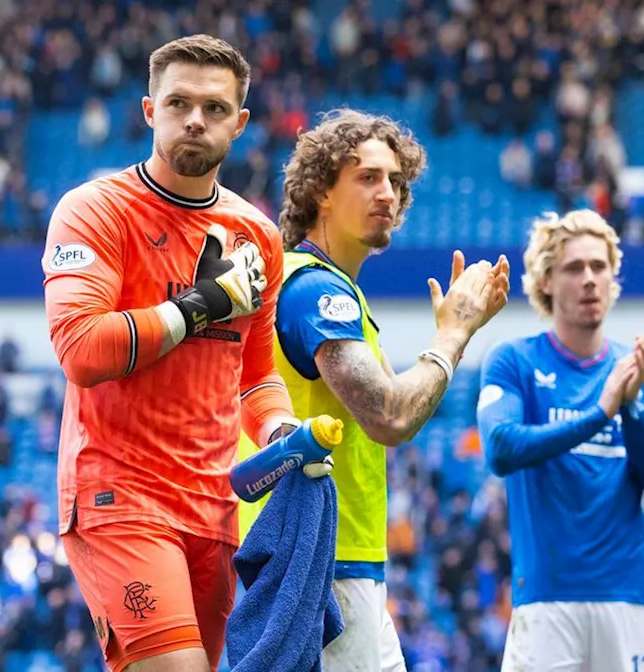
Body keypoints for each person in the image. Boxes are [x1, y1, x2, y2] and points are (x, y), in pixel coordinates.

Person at [41, 35, 302, 672]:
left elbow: (256, 376)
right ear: (148, 110)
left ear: (239, 125)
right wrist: (198, 306)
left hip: (213, 507)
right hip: (119, 496)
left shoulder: (259, 237)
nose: (195, 119)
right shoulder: (94, 211)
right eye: (179, 102)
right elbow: (81, 348)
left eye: (215, 109)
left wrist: (283, 432)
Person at [236, 109, 510, 671]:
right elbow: (388, 414)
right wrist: (454, 333)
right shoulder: (316, 291)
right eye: (367, 177)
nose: (387, 193)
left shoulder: (328, 290)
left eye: (395, 181)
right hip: (319, 569)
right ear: (321, 193)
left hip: (332, 563)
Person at [476, 210, 644, 671]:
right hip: (546, 598)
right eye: (573, 268)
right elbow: (501, 449)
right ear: (545, 281)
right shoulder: (513, 361)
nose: (589, 279)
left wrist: (631, 406)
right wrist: (600, 412)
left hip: (629, 598)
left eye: (599, 266)